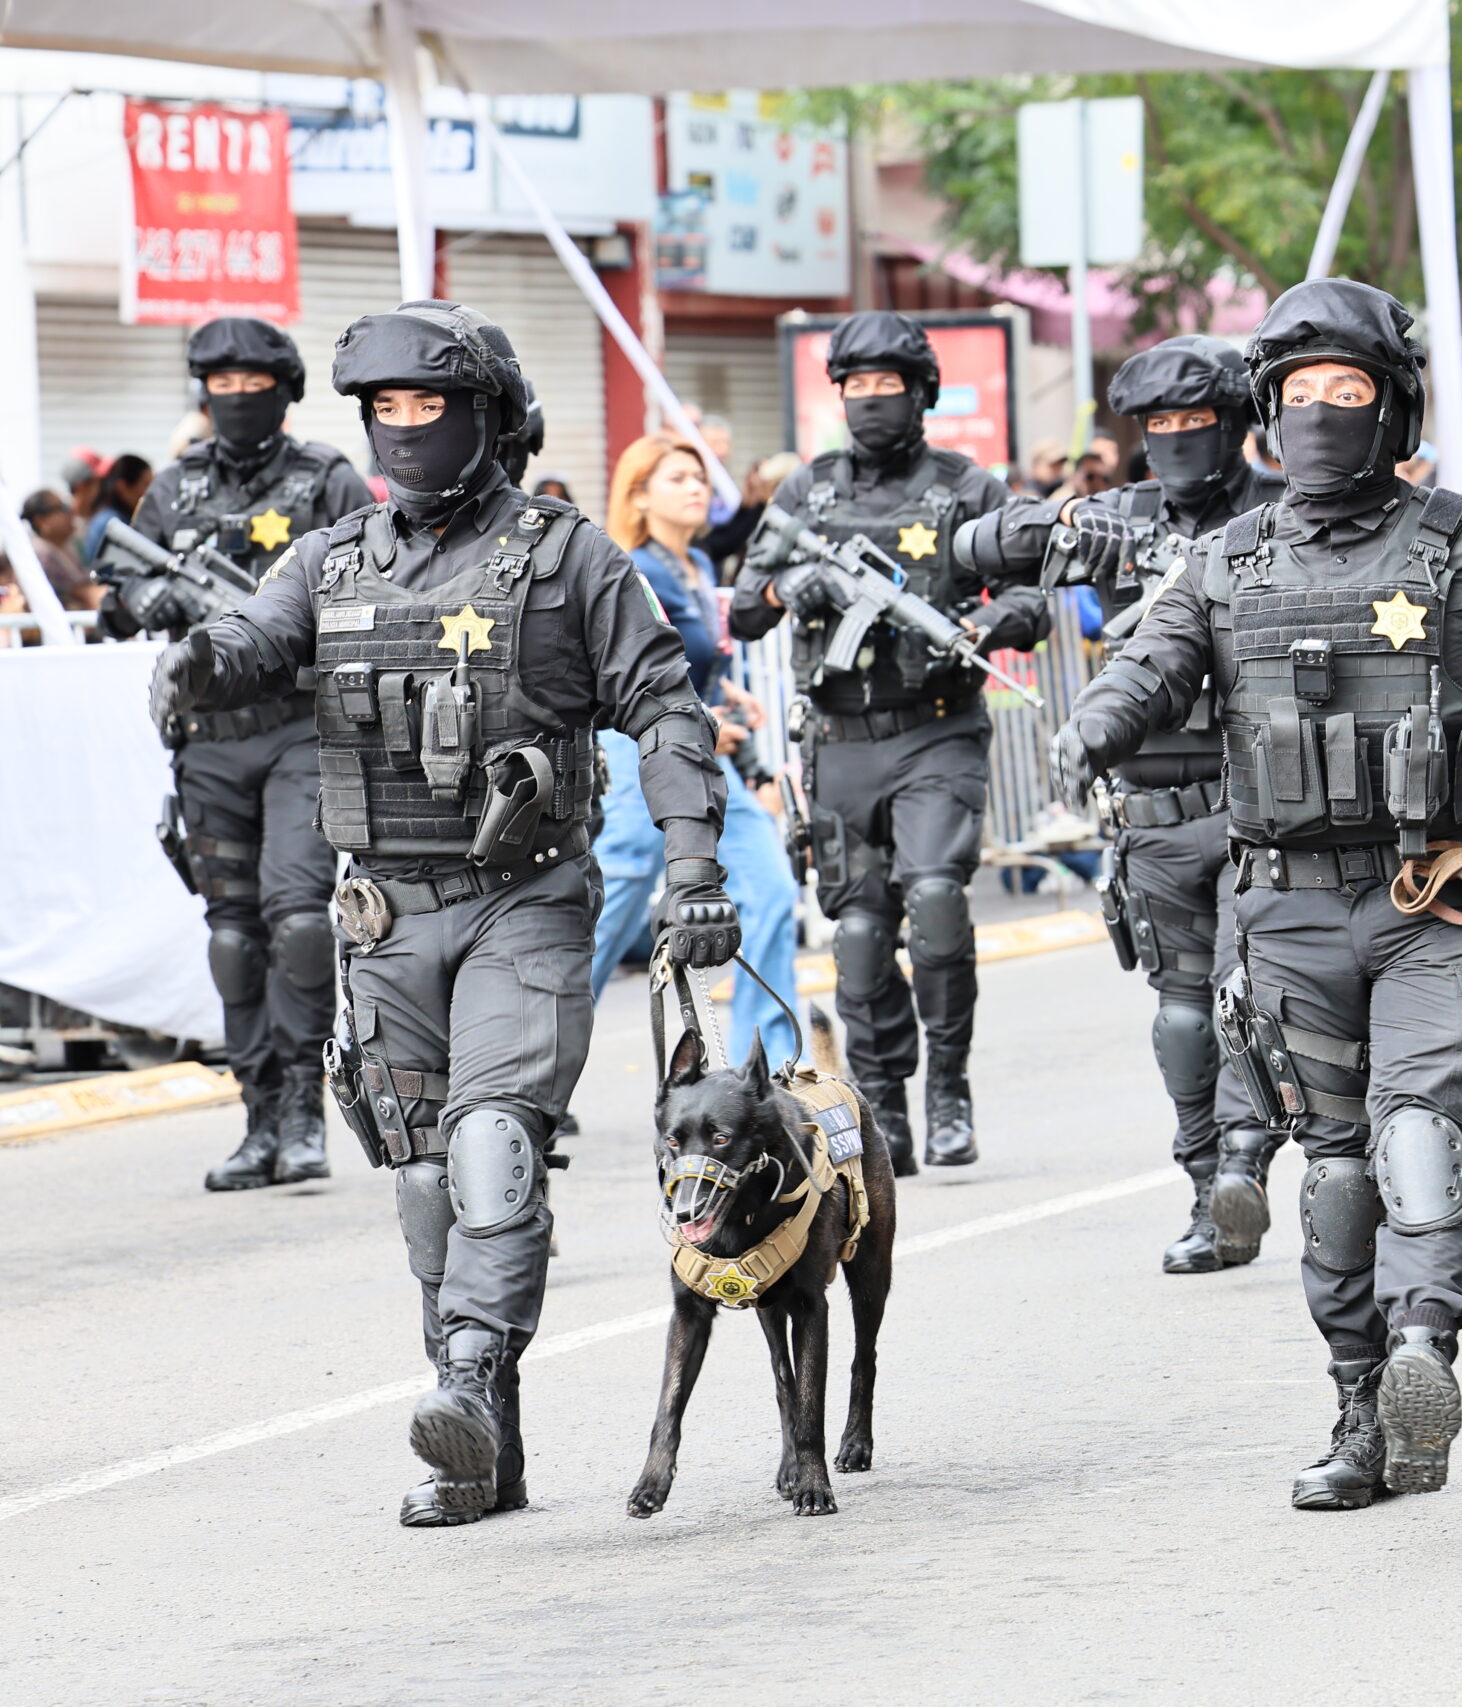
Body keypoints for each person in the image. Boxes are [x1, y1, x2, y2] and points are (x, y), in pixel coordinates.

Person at [147, 299, 737, 1527]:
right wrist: (201, 659)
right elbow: (255, 636)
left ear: (488, 417)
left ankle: (465, 1372)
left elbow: (665, 709)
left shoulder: (569, 554)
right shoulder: (332, 558)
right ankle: (484, 1453)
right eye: (387, 410)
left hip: (521, 902)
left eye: (431, 406)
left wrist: (692, 869)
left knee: (492, 1148)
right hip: (382, 919)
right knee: (423, 1185)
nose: (406, 430)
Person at [1051, 279, 1462, 1510]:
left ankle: (1425, 1346)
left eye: (1349, 392)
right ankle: (1363, 1415)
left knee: (1420, 1135)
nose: (1322, 414)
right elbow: (1148, 667)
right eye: (1301, 393)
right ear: (1267, 408)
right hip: (1284, 915)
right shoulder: (1224, 559)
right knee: (1333, 1179)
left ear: (1394, 407)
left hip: (1442, 904)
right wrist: (1096, 725)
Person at [975, 336, 1286, 1274]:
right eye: (1161, 426)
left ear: (1236, 425)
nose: (1180, 439)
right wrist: (1050, 538)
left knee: (1251, 996)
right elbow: (992, 556)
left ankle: (1247, 1165)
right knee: (1184, 1016)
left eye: (1198, 422)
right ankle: (1206, 1189)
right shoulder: (1118, 518)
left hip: (1262, 803)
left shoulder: (1285, 511)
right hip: (1149, 811)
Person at [729, 310, 1040, 1172]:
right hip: (839, 741)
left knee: (936, 901)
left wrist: (979, 621)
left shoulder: (968, 488)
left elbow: (1032, 600)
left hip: (937, 730)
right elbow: (747, 606)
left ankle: (948, 1085)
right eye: (854, 386)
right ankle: (883, 1107)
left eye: (887, 385)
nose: (870, 401)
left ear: (921, 393)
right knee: (860, 935)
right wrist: (802, 582)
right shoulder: (808, 493)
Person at [93, 318, 374, 1191]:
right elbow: (116, 604)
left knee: (296, 926)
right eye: (220, 384)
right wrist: (150, 597)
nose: (237, 398)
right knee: (232, 938)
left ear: (285, 390)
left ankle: (303, 1112)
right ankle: (256, 1116)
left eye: (255, 383)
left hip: (296, 731)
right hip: (208, 744)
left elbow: (378, 576)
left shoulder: (326, 478)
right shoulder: (172, 490)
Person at [589, 434, 802, 1066]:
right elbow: (617, 673)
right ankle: (535, 1054)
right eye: (677, 477)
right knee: (623, 885)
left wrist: (725, 694)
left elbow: (691, 663)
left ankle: (766, 1070)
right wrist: (702, 715)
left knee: (771, 891)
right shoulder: (631, 570)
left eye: (700, 476)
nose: (695, 487)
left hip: (707, 756)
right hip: (639, 746)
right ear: (638, 494)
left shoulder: (699, 566)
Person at [17, 490, 101, 610]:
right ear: (40, 520)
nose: (70, 512)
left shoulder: (65, 547)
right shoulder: (40, 555)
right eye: (62, 508)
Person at [82, 455, 156, 565]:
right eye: (146, 484)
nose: (151, 492)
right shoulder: (111, 522)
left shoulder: (122, 517)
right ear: (123, 487)